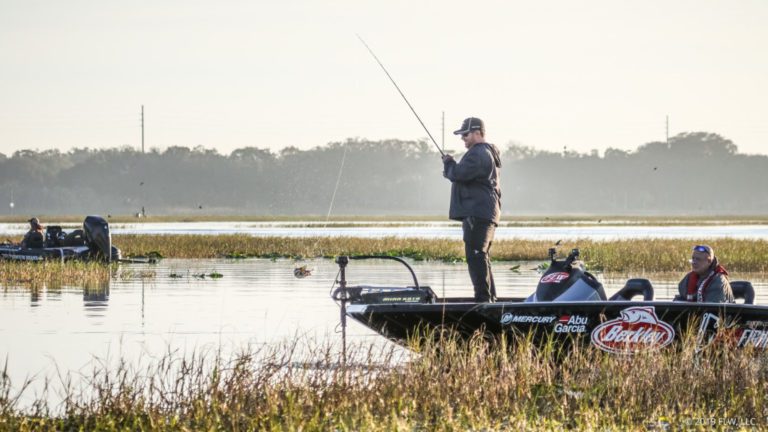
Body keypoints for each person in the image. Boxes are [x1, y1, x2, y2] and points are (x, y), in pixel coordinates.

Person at [442, 117, 502, 302]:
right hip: (486, 212)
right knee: (481, 256)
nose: (462, 138)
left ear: (478, 133)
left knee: (475, 256)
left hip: (478, 212)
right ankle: (489, 299)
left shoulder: (478, 153)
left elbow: (459, 174)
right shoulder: (487, 152)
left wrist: (449, 163)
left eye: (465, 134)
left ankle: (483, 300)